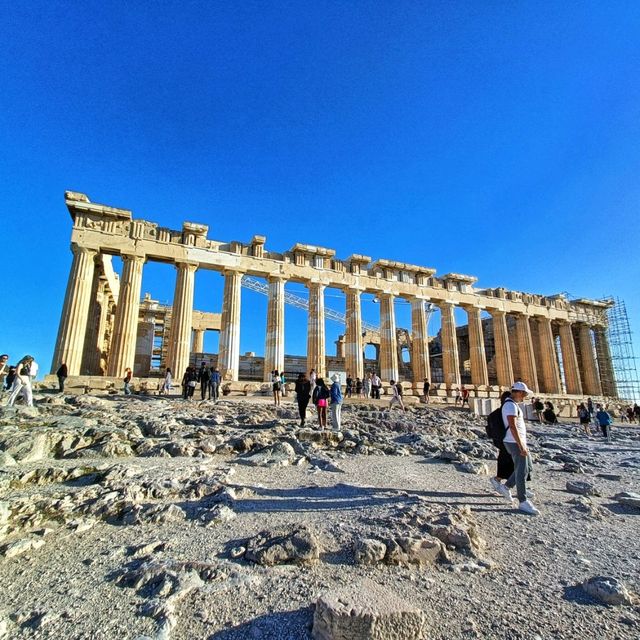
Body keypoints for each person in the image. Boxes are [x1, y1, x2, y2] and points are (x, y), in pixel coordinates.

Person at [502, 381, 539, 515]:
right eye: (523, 394)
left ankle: (506, 486)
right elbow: (512, 426)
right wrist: (521, 445)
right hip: (514, 442)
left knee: (527, 467)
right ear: (517, 392)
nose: (524, 397)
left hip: (519, 441)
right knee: (521, 469)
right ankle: (522, 501)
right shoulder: (510, 406)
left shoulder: (514, 405)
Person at [490, 391, 516, 499]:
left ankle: (518, 486)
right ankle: (501, 482)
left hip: (509, 440)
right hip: (508, 440)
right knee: (516, 463)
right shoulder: (505, 410)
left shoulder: (508, 409)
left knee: (518, 464)